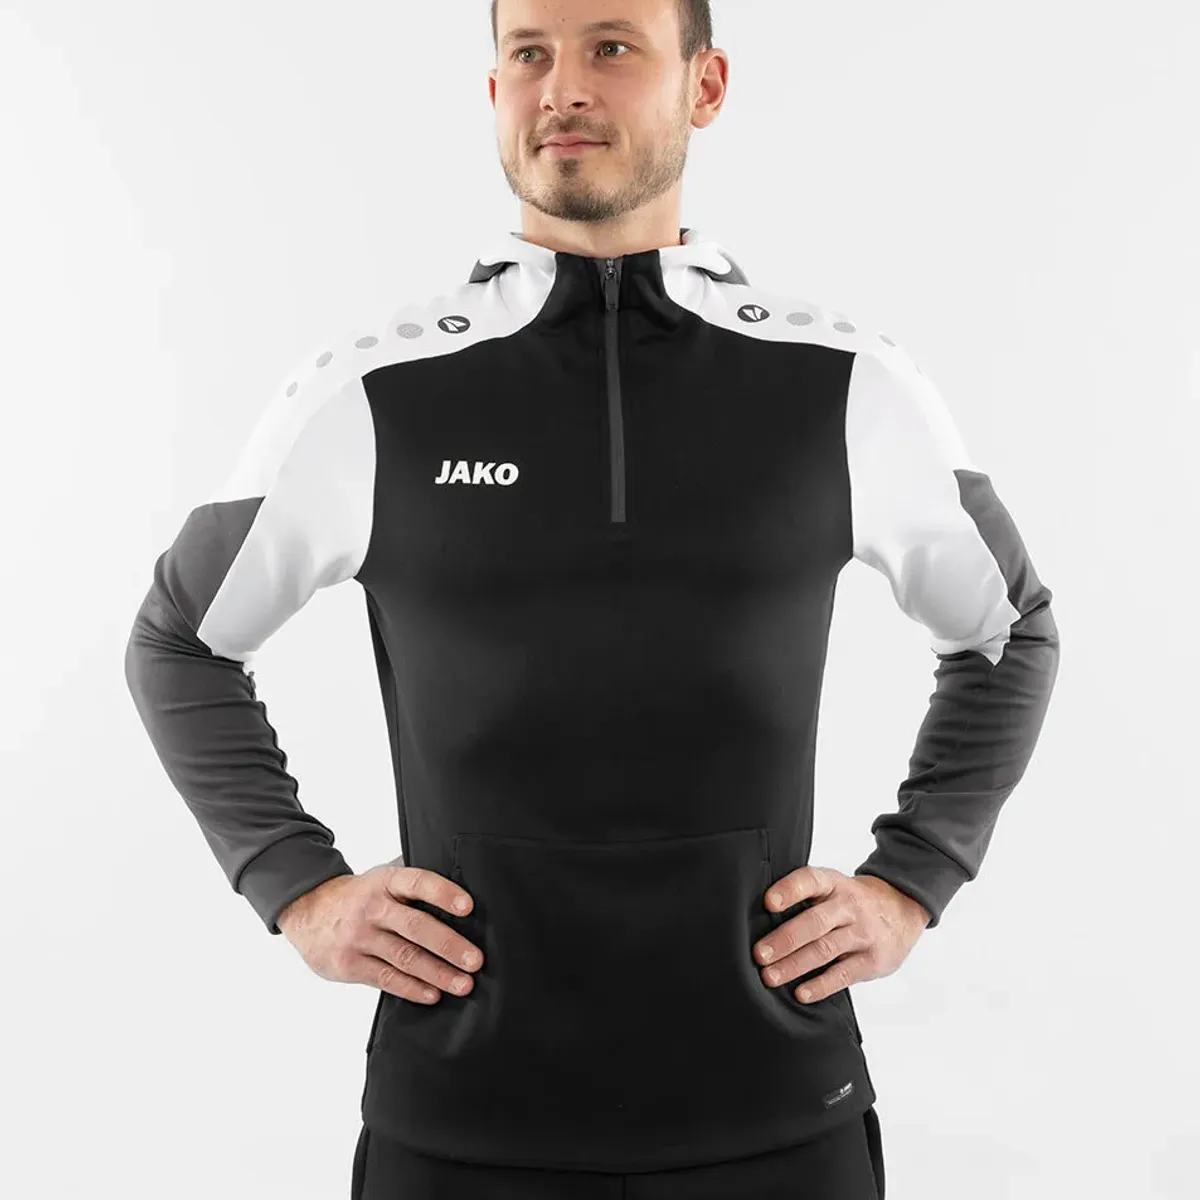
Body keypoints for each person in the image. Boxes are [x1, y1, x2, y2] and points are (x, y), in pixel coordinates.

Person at [123, 1, 1061, 1196]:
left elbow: (1011, 633)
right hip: (459, 1127)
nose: (562, 86)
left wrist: (911, 878)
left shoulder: (843, 387)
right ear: (495, 92)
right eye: (530, 53)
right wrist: (295, 883)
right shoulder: (372, 393)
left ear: (704, 86)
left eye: (612, 47)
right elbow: (180, 642)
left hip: (776, 1117)